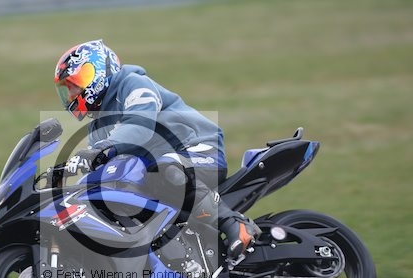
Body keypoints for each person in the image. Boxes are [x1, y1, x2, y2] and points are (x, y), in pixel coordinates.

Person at [54, 39, 260, 263]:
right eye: (67, 87)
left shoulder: (133, 84)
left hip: (198, 149)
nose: (72, 92)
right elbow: (103, 170)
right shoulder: (97, 128)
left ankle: (234, 223)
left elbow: (140, 125)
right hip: (157, 172)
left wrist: (102, 149)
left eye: (76, 81)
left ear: (100, 70)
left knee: (165, 170)